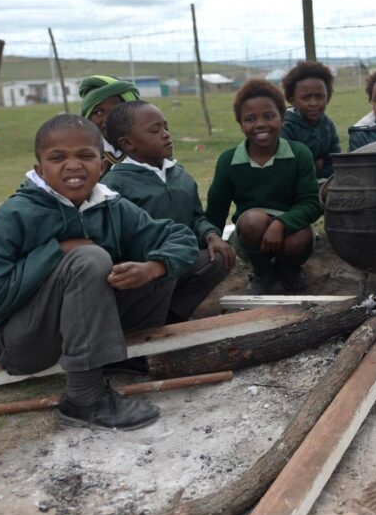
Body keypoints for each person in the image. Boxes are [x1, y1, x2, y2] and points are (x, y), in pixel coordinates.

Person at [0, 114, 198, 430]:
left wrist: (152, 268)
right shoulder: (16, 214)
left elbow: (179, 237)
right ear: (40, 170)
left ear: (102, 166)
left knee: (159, 264)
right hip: (21, 345)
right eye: (58, 158)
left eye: (85, 156)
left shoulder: (111, 206)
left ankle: (123, 359)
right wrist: (58, 252)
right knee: (89, 259)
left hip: (79, 331)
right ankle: (84, 398)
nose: (73, 165)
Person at [102, 101, 236, 324]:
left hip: (178, 261)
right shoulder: (114, 184)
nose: (166, 135)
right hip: (145, 269)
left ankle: (172, 316)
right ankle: (141, 320)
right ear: (128, 144)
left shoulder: (180, 175)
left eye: (166, 128)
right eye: (155, 130)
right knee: (160, 277)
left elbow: (195, 218)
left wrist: (211, 235)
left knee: (219, 257)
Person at [206, 78, 323, 294]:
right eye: (250, 119)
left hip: (292, 233)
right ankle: (262, 272)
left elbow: (312, 203)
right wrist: (209, 237)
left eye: (268, 116)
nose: (260, 124)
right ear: (240, 124)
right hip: (250, 237)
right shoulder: (229, 161)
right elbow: (215, 212)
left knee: (301, 236)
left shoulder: (299, 154)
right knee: (252, 220)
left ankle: (288, 269)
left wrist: (281, 224)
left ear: (282, 117)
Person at [280, 61, 341, 180]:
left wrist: (321, 177)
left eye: (320, 96)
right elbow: (289, 169)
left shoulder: (328, 126)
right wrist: (315, 165)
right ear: (292, 99)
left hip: (325, 183)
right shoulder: (286, 127)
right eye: (306, 97)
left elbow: (335, 162)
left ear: (327, 97)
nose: (314, 103)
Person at [78, 75, 141, 173]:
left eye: (116, 110)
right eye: (98, 112)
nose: (108, 119)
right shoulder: (83, 157)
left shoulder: (149, 148)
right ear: (88, 118)